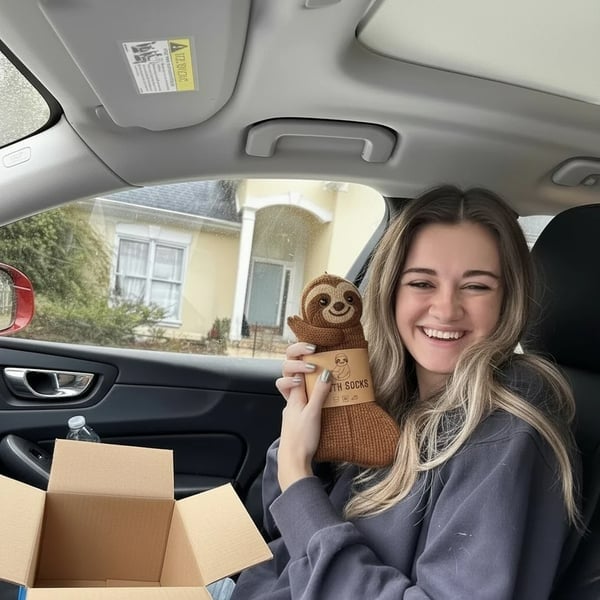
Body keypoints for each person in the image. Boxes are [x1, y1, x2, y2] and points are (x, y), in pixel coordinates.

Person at [224, 185, 580, 600]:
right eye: (422, 283)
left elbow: (298, 510)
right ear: (391, 291)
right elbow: (280, 526)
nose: (446, 309)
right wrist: (305, 437)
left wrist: (297, 478)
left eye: (476, 286)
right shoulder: (390, 390)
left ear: (508, 300)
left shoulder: (507, 434)